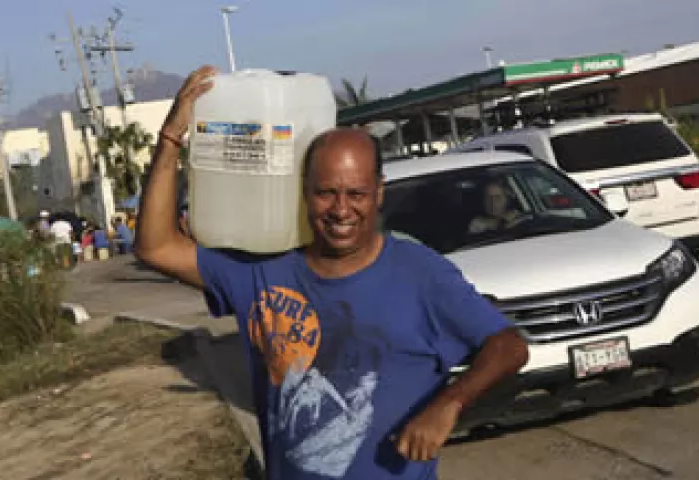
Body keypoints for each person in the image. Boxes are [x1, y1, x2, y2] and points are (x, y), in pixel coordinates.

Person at [135, 65, 528, 480]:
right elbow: (155, 246)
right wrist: (171, 138)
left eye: (356, 194)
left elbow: (508, 345)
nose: (341, 210)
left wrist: (449, 404)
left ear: (378, 193)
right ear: (304, 192)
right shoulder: (263, 270)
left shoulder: (419, 274)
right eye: (326, 193)